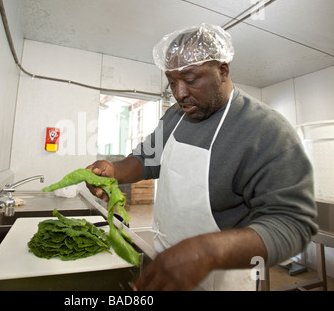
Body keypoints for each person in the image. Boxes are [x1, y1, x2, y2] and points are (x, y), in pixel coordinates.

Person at [86, 23, 318, 291]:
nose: (179, 93)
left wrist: (205, 252)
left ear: (223, 70)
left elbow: (292, 225)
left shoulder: (265, 131)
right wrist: (113, 171)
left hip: (224, 278)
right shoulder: (176, 117)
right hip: (166, 260)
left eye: (191, 79)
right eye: (172, 82)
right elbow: (147, 158)